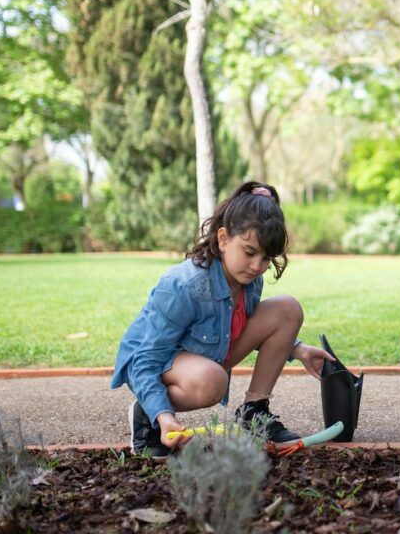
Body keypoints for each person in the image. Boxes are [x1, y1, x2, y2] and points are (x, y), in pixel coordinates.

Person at [111, 181, 334, 459]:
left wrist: (297, 349)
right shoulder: (183, 285)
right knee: (213, 382)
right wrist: (164, 415)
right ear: (224, 238)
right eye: (250, 252)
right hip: (154, 361)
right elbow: (146, 360)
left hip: (205, 354)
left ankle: (254, 414)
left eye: (266, 258)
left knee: (287, 308)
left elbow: (238, 324)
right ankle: (147, 416)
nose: (257, 266)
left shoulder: (249, 281)